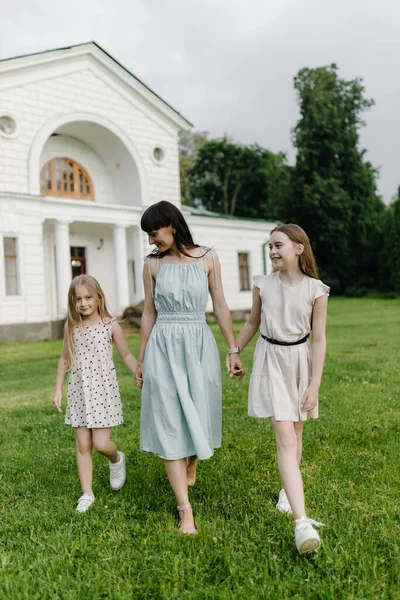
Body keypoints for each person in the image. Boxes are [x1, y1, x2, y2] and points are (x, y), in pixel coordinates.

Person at [135, 200, 244, 535]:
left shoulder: (207, 257)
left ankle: (193, 457)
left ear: (171, 224)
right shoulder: (151, 265)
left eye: (155, 233)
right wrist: (140, 359)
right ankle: (185, 511)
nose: (152, 241)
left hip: (198, 343)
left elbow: (221, 305)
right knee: (169, 422)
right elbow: (149, 313)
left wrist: (233, 349)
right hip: (164, 345)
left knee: (198, 411)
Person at [235, 224, 329, 554]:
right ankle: (302, 522)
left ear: (299, 249)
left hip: (300, 362)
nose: (273, 251)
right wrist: (235, 350)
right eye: (270, 246)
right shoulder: (263, 285)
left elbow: (318, 339)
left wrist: (314, 385)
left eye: (279, 245)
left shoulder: (316, 289)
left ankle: (288, 492)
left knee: (297, 433)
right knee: (285, 437)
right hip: (270, 360)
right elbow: (252, 322)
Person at [53, 275, 139, 512]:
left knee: (101, 444)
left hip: (103, 392)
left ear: (99, 297)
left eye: (88, 297)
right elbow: (64, 358)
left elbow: (127, 356)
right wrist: (58, 388)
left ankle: (116, 459)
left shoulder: (110, 325)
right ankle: (87, 493)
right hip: (79, 392)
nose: (83, 303)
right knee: (82, 444)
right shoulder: (72, 326)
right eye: (78, 299)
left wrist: (137, 372)